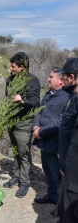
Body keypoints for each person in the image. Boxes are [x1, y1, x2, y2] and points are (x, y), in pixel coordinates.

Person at [2, 52, 41, 198]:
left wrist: (22, 101)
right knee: (15, 151)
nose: (11, 68)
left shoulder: (33, 80)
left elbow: (36, 102)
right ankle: (16, 176)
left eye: (13, 66)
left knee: (24, 154)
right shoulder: (10, 80)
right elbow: (7, 99)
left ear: (21, 67)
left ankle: (24, 183)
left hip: (24, 124)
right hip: (11, 122)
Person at [32, 68, 69, 205]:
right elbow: (39, 112)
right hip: (43, 143)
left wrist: (41, 132)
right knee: (48, 172)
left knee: (57, 175)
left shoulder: (66, 97)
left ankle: (60, 203)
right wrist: (36, 127)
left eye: (51, 77)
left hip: (55, 144)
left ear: (60, 81)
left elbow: (60, 121)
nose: (48, 79)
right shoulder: (48, 94)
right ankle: (52, 195)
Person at [53, 58, 78, 221]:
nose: (63, 80)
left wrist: (63, 160)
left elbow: (65, 129)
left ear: (73, 78)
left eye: (65, 76)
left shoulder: (74, 101)